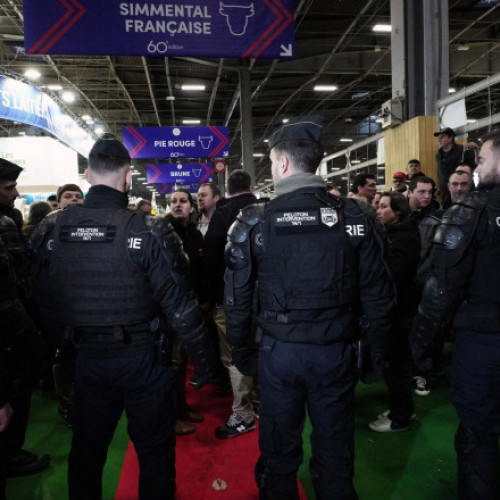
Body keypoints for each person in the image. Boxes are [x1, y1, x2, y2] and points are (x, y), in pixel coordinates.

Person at [31, 134, 214, 500]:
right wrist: (207, 365)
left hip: (86, 360)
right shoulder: (149, 230)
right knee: (154, 452)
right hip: (144, 359)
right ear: (128, 176)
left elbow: (41, 301)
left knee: (87, 450)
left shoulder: (51, 228)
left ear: (86, 175)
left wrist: (63, 353)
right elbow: (181, 307)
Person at [224, 116, 394, 499]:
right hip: (336, 352)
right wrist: (374, 355)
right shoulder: (356, 216)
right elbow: (380, 298)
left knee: (278, 455)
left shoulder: (254, 220)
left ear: (282, 163)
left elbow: (236, 302)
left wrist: (243, 355)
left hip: (277, 354)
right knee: (335, 456)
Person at [412, 130, 500, 500]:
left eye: (482, 160)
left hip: (484, 340)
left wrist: (419, 342)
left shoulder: (470, 211)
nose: (477, 167)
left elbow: (442, 288)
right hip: (482, 334)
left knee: (477, 434)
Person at [0, 158, 50, 482]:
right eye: (9, 188)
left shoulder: (9, 222)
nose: (16, 193)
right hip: (11, 332)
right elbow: (9, 292)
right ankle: (9, 455)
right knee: (14, 393)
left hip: (14, 326)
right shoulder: (4, 225)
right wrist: (33, 337)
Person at [199, 169, 258, 439]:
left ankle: (243, 412)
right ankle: (257, 402)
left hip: (230, 298)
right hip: (266, 301)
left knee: (234, 354)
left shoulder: (222, 215)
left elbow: (210, 261)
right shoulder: (267, 209)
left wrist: (207, 299)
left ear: (227, 189)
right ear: (252, 186)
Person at [369, 192, 419, 432]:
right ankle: (403, 409)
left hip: (399, 311)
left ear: (397, 211)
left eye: (384, 207)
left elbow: (395, 274)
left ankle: (400, 417)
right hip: (397, 309)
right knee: (396, 365)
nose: (379, 210)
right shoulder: (394, 234)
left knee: (396, 365)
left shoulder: (404, 237)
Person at [165, 188, 205, 436]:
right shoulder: (162, 231)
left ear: (191, 206)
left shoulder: (192, 232)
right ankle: (171, 416)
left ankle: (181, 407)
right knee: (172, 364)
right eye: (174, 201)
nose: (178, 205)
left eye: (183, 201)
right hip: (169, 309)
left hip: (189, 307)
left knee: (181, 363)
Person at [434, 127, 477, 206]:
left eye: (442, 137)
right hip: (446, 194)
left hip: (463, 191)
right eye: (439, 138)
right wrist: (440, 186)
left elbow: (475, 166)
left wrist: (476, 150)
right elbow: (439, 173)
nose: (439, 140)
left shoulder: (464, 151)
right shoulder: (438, 155)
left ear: (451, 138)